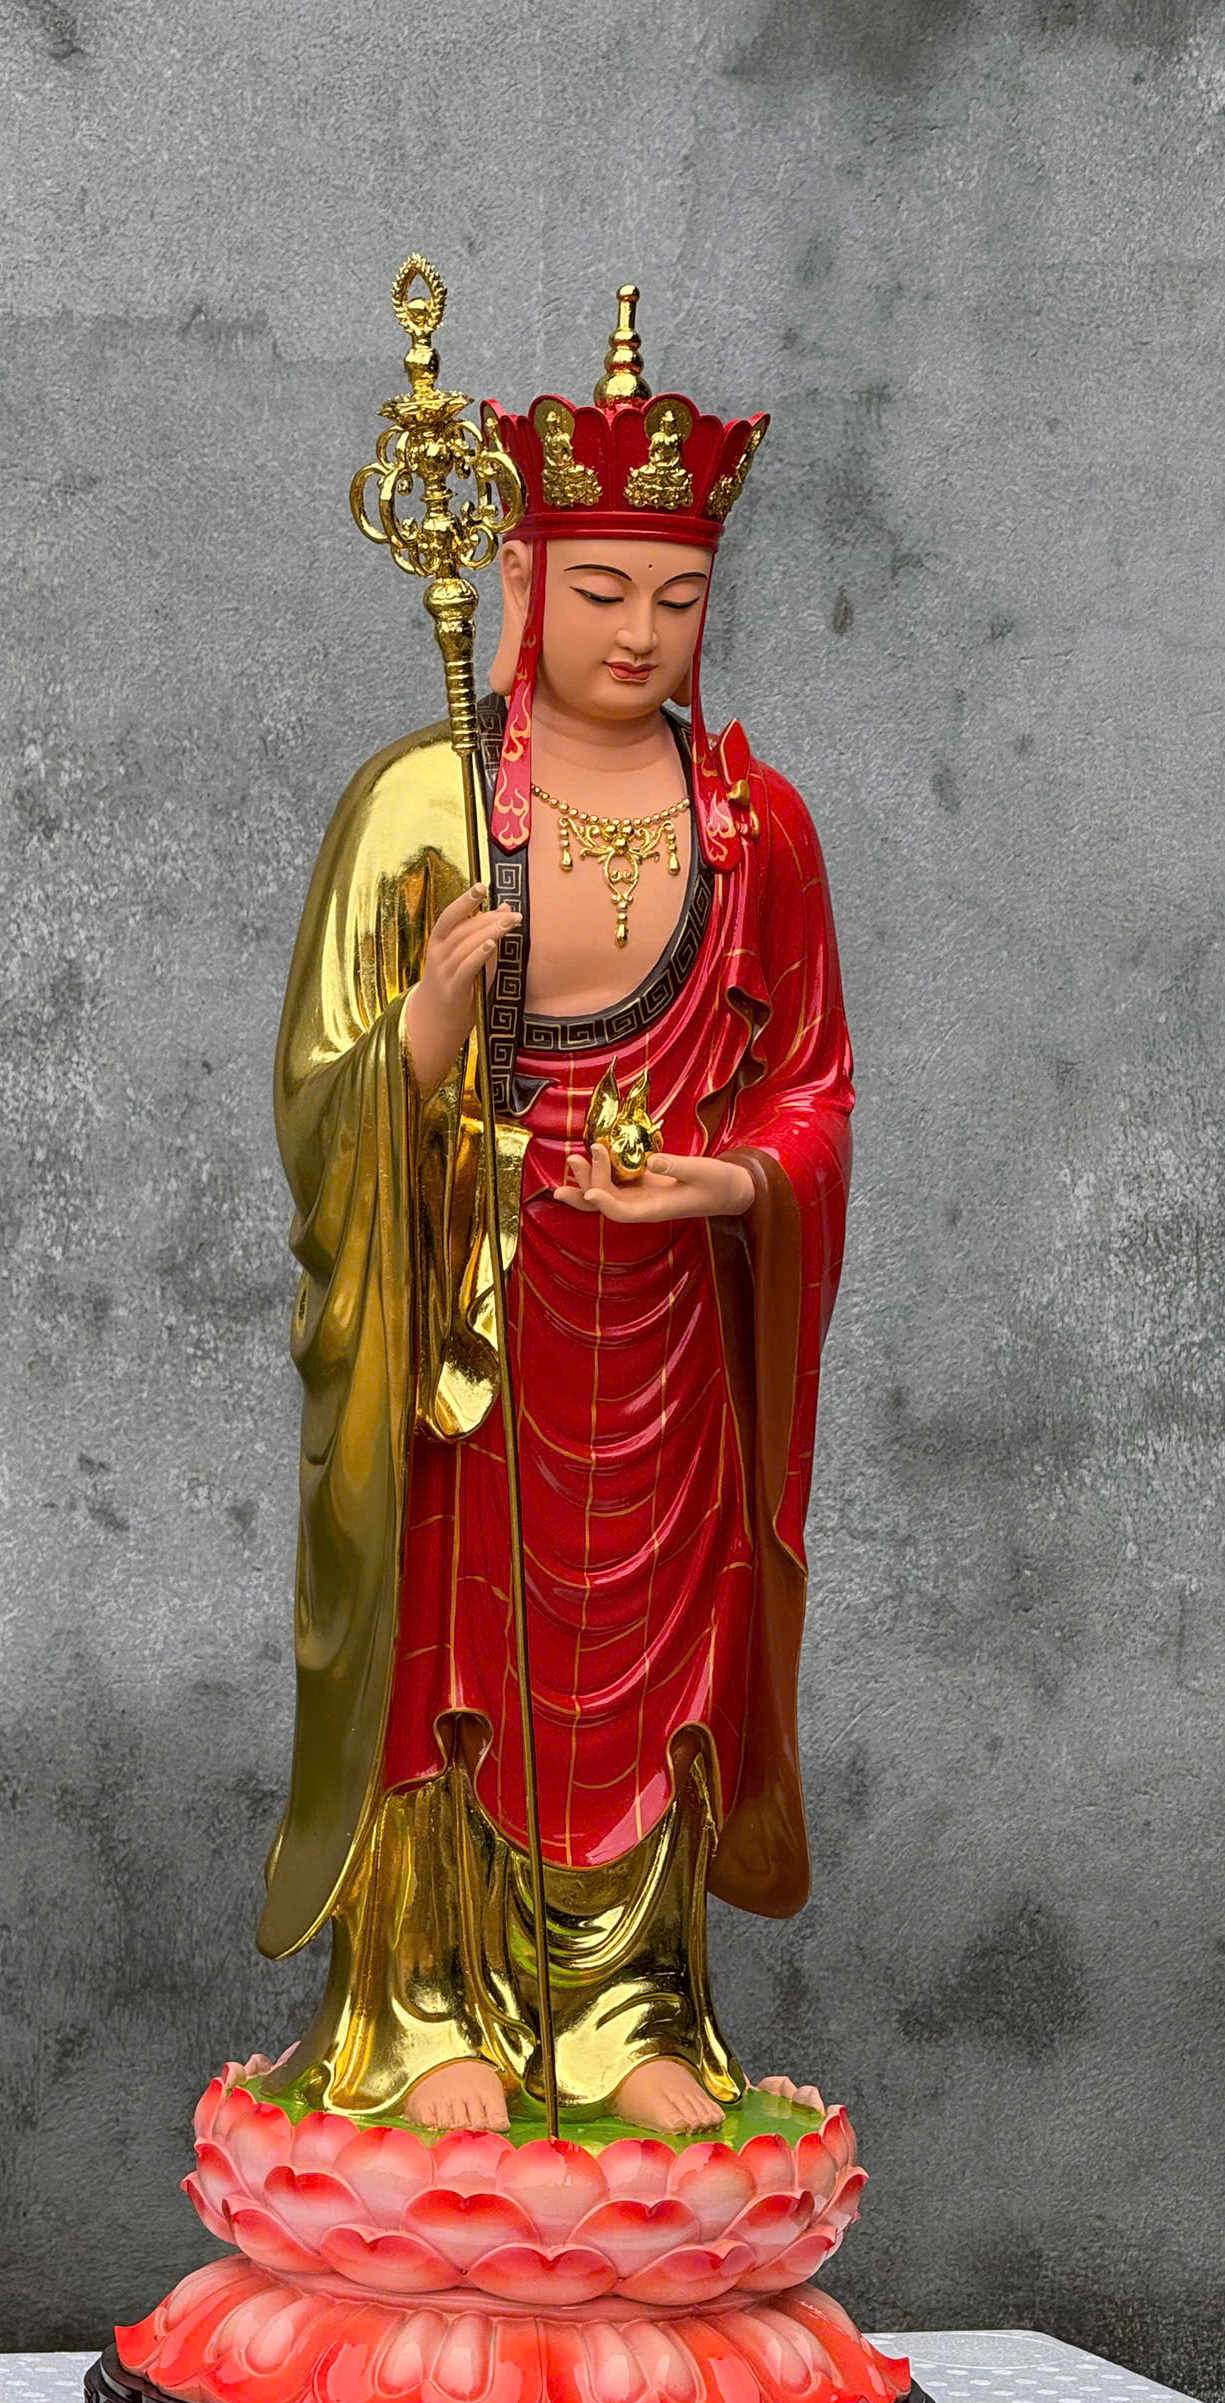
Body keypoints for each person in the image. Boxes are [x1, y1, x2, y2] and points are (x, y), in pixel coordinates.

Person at [260, 292, 854, 2136]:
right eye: (600, 590)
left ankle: (624, 2013)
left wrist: (731, 1181)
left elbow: (812, 1086)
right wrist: (427, 1038)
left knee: (656, 1662)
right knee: (455, 1652)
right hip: (474, 1310)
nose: (638, 632)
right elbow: (315, 1094)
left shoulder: (755, 827)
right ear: (520, 583)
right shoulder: (423, 800)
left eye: (677, 597)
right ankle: (426, 2003)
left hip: (665, 1323)